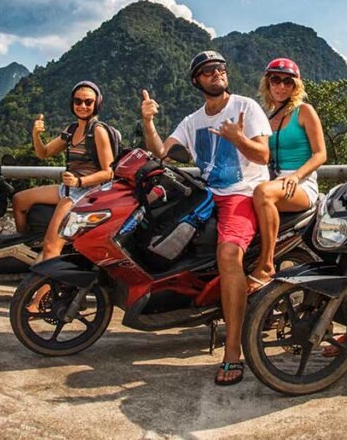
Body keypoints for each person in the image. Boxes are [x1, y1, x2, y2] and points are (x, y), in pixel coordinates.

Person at [140, 51, 271, 386]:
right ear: (197, 80)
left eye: (221, 69)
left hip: (242, 192)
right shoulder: (193, 120)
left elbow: (263, 155)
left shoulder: (246, 107)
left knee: (228, 254)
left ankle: (232, 351)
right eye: (208, 70)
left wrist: (238, 138)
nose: (217, 73)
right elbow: (163, 152)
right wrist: (148, 122)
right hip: (208, 194)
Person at [11, 81, 115, 292]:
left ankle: (39, 298)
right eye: (78, 101)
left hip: (86, 192)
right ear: (72, 103)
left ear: (97, 105)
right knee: (19, 200)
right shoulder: (71, 130)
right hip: (69, 187)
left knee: (51, 246)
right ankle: (29, 248)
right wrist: (36, 135)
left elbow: (109, 172)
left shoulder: (98, 131)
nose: (83, 106)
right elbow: (44, 153)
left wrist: (79, 181)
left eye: (88, 102)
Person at [249, 58, 327, 292]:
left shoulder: (304, 111)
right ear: (267, 82)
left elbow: (321, 154)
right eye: (275, 80)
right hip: (273, 182)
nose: (281, 86)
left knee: (262, 193)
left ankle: (266, 265)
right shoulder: (266, 117)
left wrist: (296, 176)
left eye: (287, 82)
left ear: (296, 86)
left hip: (301, 184)